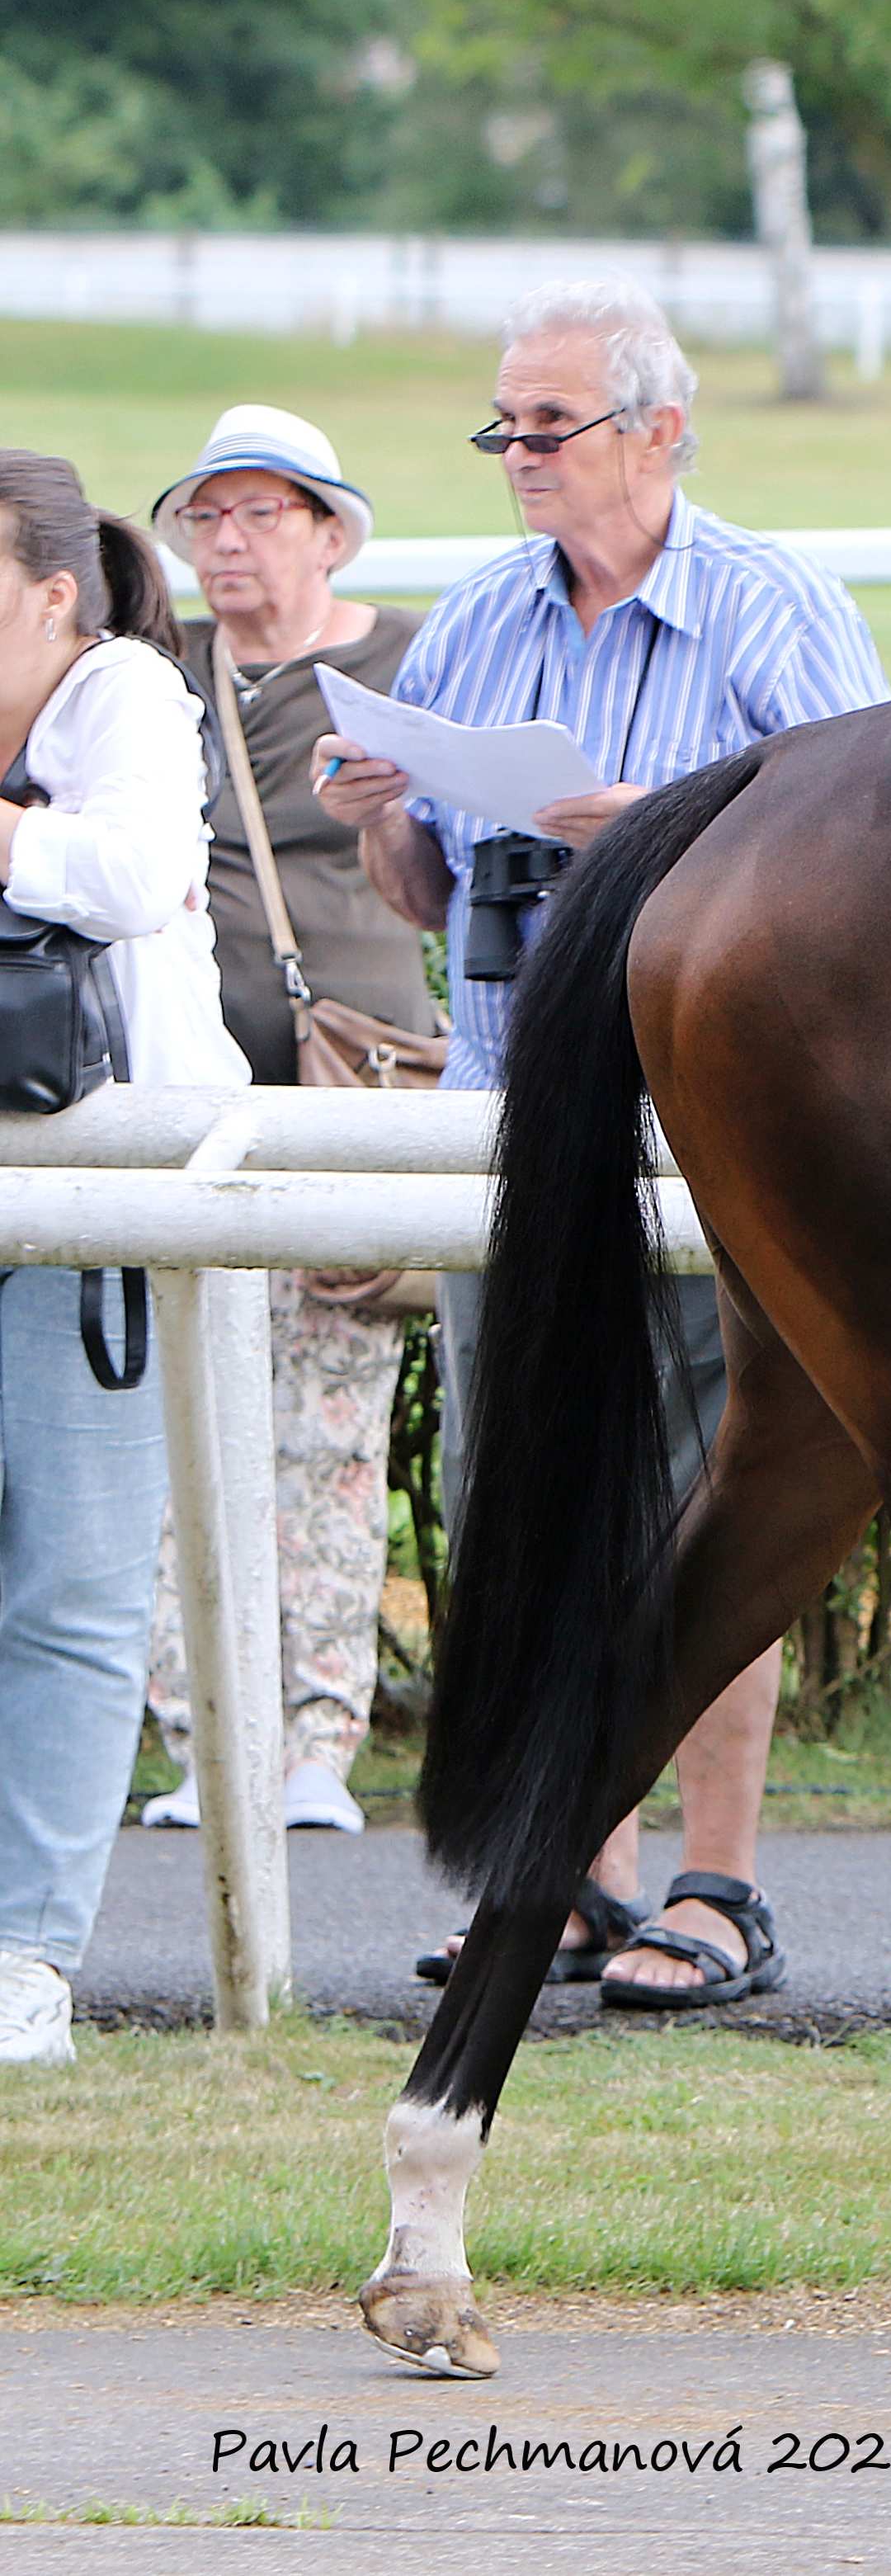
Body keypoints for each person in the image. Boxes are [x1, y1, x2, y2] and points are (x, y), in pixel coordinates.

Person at [317, 280, 889, 2010]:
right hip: (517, 1114)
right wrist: (379, 828)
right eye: (504, 426)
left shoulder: (773, 607)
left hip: (721, 1119)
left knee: (723, 1495)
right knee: (525, 1491)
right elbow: (429, 900)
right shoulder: (477, 617)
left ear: (658, 431)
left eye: (547, 426)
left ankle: (717, 1885)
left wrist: (646, 828)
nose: (518, 457)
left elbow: (866, 850)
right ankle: (572, 1873)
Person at [131, 405, 430, 1839]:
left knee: (329, 1419)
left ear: (328, 528)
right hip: (184, 1092)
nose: (228, 542)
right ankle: (204, 1729)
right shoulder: (156, 675)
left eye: (260, 513)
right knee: (182, 1415)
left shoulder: (398, 661)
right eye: (207, 517)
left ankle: (317, 1729)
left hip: (346, 1089)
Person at [0, 453, 248, 2069]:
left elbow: (137, 874)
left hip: (101, 1199)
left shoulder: (130, 692)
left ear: (50, 596)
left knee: (75, 1589)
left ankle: (29, 1960)